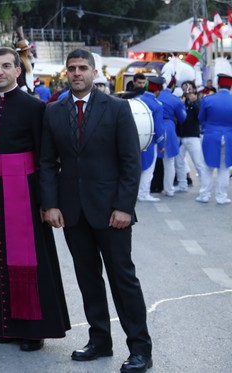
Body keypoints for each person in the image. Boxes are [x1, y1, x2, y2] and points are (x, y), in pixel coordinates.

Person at [40, 49, 153, 373]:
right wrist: (51, 204)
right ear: (66, 73)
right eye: (72, 69)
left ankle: (140, 349)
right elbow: (48, 162)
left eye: (82, 68)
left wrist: (124, 207)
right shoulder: (54, 111)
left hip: (111, 213)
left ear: (94, 71)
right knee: (88, 279)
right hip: (73, 212)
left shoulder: (117, 109)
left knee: (123, 280)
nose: (77, 73)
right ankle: (100, 339)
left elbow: (131, 162)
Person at [0, 48, 70, 352]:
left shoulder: (34, 106)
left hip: (24, 191)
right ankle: (3, 325)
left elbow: (45, 157)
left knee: (26, 258)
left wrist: (47, 201)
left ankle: (32, 329)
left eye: (5, 66)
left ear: (18, 70)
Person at [198, 73, 232, 204]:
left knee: (207, 166)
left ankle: (204, 195)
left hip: (211, 135)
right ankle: (221, 197)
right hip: (229, 137)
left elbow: (201, 118)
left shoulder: (208, 99)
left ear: (218, 85)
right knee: (224, 168)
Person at [175, 82, 211, 201]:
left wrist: (194, 101)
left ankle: (205, 189)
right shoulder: (181, 102)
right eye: (185, 88)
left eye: (189, 88)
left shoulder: (199, 102)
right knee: (179, 162)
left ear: (195, 90)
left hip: (193, 136)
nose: (187, 91)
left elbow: (200, 117)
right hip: (180, 136)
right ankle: (182, 184)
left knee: (199, 163)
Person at [136, 77, 165, 202]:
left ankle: (135, 193)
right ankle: (143, 194)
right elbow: (158, 127)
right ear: (158, 90)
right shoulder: (157, 105)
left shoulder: (137, 100)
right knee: (148, 169)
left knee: (135, 167)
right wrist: (161, 144)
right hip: (149, 140)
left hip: (134, 139)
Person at [158, 78, 186, 197]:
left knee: (149, 162)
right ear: (173, 85)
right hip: (169, 128)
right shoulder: (175, 100)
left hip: (153, 127)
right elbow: (182, 118)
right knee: (169, 162)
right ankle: (168, 189)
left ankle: (143, 191)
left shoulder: (156, 96)